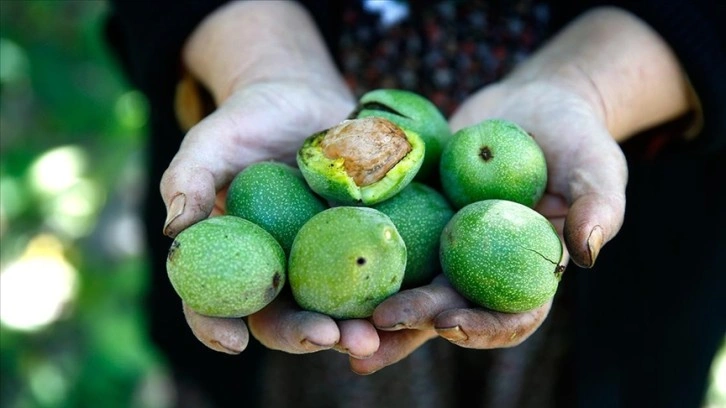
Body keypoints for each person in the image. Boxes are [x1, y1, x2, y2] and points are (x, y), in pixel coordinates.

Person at [106, 1, 726, 407]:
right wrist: (260, 61)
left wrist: (592, 86)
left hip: (615, 249)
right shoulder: (299, 185)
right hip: (288, 91)